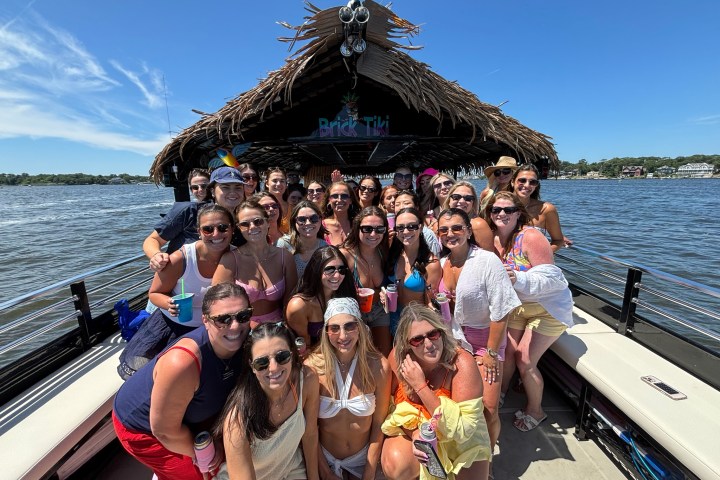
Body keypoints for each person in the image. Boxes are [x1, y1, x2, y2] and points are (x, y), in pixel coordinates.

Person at [113, 283, 252, 480]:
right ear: (205, 320)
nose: (235, 326)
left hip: (190, 414)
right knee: (206, 473)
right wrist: (209, 453)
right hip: (145, 429)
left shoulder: (246, 341)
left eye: (243, 316)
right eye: (223, 319)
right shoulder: (183, 363)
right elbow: (164, 431)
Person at [486, 192, 574, 432]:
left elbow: (552, 278)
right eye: (496, 210)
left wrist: (519, 277)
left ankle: (536, 410)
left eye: (508, 210)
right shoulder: (492, 240)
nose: (502, 214)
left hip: (547, 308)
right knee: (506, 351)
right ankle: (500, 392)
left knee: (525, 359)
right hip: (518, 306)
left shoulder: (531, 237)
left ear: (518, 213)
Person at [436, 207, 521, 451]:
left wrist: (492, 353)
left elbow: (502, 309)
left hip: (486, 341)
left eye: (456, 228)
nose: (450, 233)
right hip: (455, 340)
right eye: (444, 229)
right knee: (461, 403)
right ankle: (462, 450)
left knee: (489, 407)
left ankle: (488, 459)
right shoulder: (442, 263)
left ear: (468, 231)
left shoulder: (486, 260)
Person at [118, 205, 237, 378]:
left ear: (232, 229)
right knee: (157, 375)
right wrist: (169, 304)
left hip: (212, 332)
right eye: (208, 229)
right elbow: (154, 293)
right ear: (199, 231)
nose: (216, 234)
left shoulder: (238, 256)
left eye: (223, 227)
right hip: (172, 327)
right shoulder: (181, 259)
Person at [380, 304, 492, 480]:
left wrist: (420, 386)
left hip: (461, 441)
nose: (429, 344)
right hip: (421, 431)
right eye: (417, 339)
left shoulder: (462, 363)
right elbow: (388, 408)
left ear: (441, 332)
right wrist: (414, 433)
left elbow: (462, 430)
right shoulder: (398, 359)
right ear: (406, 344)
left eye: (433, 334)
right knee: (395, 465)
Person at [215, 322, 320, 480]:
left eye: (282, 357)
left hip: (290, 470)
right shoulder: (238, 420)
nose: (273, 368)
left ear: (292, 354)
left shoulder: (307, 380)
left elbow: (310, 435)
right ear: (252, 366)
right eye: (262, 363)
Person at [306, 298, 391, 480]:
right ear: (326, 332)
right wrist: (325, 473)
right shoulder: (312, 367)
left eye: (349, 326)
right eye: (334, 328)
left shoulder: (379, 366)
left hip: (364, 459)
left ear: (360, 328)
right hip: (324, 459)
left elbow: (379, 423)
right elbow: (309, 429)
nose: (343, 336)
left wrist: (369, 472)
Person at [213, 199, 297, 327]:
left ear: (268, 223)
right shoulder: (230, 260)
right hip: (241, 328)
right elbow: (217, 303)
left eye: (258, 221)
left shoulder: (284, 257)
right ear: (239, 228)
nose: (252, 227)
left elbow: (290, 300)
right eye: (245, 224)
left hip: (279, 326)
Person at [143, 166, 245, 272]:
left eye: (238, 187)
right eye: (225, 187)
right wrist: (156, 256)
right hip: (181, 278)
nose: (233, 192)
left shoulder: (244, 220)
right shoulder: (188, 211)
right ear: (213, 191)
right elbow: (153, 239)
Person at [341, 206, 392, 356]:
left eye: (379, 229)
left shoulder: (384, 252)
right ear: (357, 229)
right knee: (359, 356)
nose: (373, 234)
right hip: (355, 312)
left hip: (380, 310)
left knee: (384, 354)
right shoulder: (345, 255)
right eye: (367, 229)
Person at [286, 246, 357, 348]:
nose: (337, 276)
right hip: (315, 357)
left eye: (341, 269)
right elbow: (304, 346)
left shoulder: (345, 295)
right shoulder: (299, 305)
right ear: (316, 270)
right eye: (329, 270)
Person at [385, 207, 442, 336]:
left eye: (411, 226)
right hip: (393, 318)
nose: (405, 231)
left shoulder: (431, 263)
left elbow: (430, 303)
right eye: (400, 227)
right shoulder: (394, 255)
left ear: (421, 228)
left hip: (416, 322)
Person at [509, 164, 572, 251]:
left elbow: (558, 240)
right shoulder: (498, 207)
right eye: (522, 180)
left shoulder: (546, 209)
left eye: (532, 182)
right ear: (512, 182)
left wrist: (540, 256)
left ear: (536, 185)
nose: (527, 185)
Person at [276, 200, 328, 278]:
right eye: (301, 219)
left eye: (313, 218)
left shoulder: (324, 247)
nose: (308, 223)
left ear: (320, 220)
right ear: (294, 222)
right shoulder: (283, 244)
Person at [441, 181, 494, 252]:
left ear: (473, 203)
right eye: (456, 197)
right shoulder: (441, 223)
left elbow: (489, 256)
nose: (462, 201)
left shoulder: (478, 225)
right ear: (449, 201)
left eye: (468, 198)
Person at [393, 190, 441, 256]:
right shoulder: (393, 233)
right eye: (397, 204)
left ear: (417, 207)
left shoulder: (427, 234)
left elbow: (435, 259)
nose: (401, 207)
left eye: (406, 203)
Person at [322, 181, 361, 246]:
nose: (339, 200)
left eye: (344, 196)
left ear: (350, 200)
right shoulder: (321, 226)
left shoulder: (358, 225)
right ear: (329, 200)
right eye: (335, 196)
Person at [264, 167, 290, 233]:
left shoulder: (293, 208)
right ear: (267, 183)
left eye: (282, 181)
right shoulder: (259, 206)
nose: (279, 184)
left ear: (286, 184)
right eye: (275, 181)